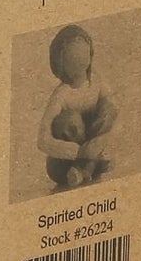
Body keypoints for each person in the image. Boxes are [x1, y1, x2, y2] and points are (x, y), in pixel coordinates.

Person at [37, 22, 119, 190]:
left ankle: (86, 169)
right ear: (60, 61)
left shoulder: (96, 81)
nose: (79, 57)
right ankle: (88, 165)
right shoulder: (61, 94)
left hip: (93, 147)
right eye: (72, 53)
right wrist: (78, 151)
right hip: (64, 161)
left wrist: (100, 140)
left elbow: (113, 106)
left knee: (108, 108)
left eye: (82, 46)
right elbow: (42, 140)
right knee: (70, 119)